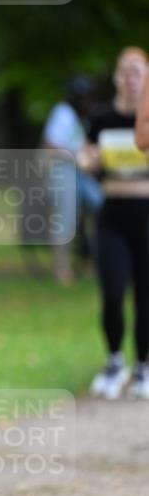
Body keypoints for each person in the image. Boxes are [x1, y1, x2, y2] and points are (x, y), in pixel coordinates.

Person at [79, 47, 149, 400]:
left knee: (145, 295)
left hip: (146, 214)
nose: (132, 79)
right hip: (112, 215)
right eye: (126, 72)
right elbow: (85, 155)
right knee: (112, 292)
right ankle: (115, 361)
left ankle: (143, 367)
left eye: (139, 72)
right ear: (117, 77)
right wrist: (87, 159)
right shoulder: (101, 118)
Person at [41, 76, 103, 283]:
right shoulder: (62, 113)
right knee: (64, 222)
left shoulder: (77, 117)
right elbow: (51, 145)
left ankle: (93, 260)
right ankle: (62, 270)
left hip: (78, 172)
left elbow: (82, 143)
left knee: (99, 205)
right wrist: (76, 155)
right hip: (63, 171)